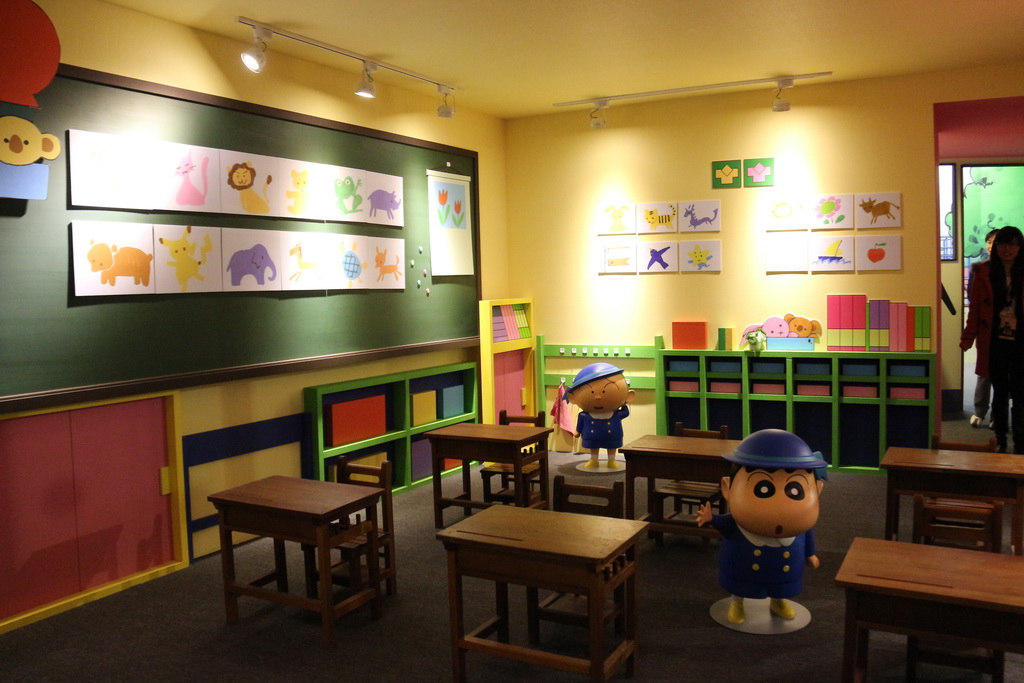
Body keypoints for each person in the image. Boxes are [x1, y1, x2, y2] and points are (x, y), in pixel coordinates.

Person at [696, 429, 827, 625]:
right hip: (742, 569)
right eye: (763, 489)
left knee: (781, 586)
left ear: (817, 490)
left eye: (795, 489)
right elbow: (726, 525)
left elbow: (807, 534)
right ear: (728, 488)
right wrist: (711, 518)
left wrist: (810, 554)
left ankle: (778, 601)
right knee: (741, 584)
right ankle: (737, 603)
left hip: (785, 570)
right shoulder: (737, 523)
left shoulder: (800, 527)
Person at [961, 225, 1024, 453]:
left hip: (1020, 341)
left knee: (1020, 393)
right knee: (1000, 391)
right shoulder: (983, 272)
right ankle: (1001, 439)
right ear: (995, 246)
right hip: (994, 341)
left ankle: (1020, 441)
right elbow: (976, 309)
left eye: (1013, 244)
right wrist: (968, 337)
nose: (1007, 249)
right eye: (1002, 244)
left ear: (1020, 247)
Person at [564, 362, 635, 468]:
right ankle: (594, 459)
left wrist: (624, 403)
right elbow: (580, 423)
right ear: (572, 398)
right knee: (594, 446)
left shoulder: (615, 415)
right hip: (592, 436)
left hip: (612, 436)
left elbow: (625, 412)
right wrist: (578, 431)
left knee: (611, 446)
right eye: (592, 392)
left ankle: (611, 460)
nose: (598, 397)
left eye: (604, 392)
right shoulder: (584, 416)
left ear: (629, 395)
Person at [966, 228, 998, 427]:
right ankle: (979, 412)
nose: (991, 246)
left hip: (1009, 330)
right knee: (984, 372)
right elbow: (972, 296)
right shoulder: (979, 269)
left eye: (996, 242)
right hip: (987, 328)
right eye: (989, 242)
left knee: (1005, 374)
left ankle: (997, 414)